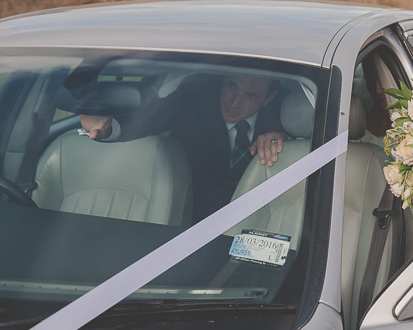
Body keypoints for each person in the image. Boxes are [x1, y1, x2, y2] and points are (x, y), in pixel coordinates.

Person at [81, 74, 287, 222]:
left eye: (250, 96)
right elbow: (151, 117)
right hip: (190, 222)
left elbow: (307, 137)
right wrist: (109, 127)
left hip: (257, 223)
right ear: (222, 81)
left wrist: (284, 140)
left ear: (268, 98)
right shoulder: (193, 100)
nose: (234, 102)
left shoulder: (285, 114)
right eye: (232, 87)